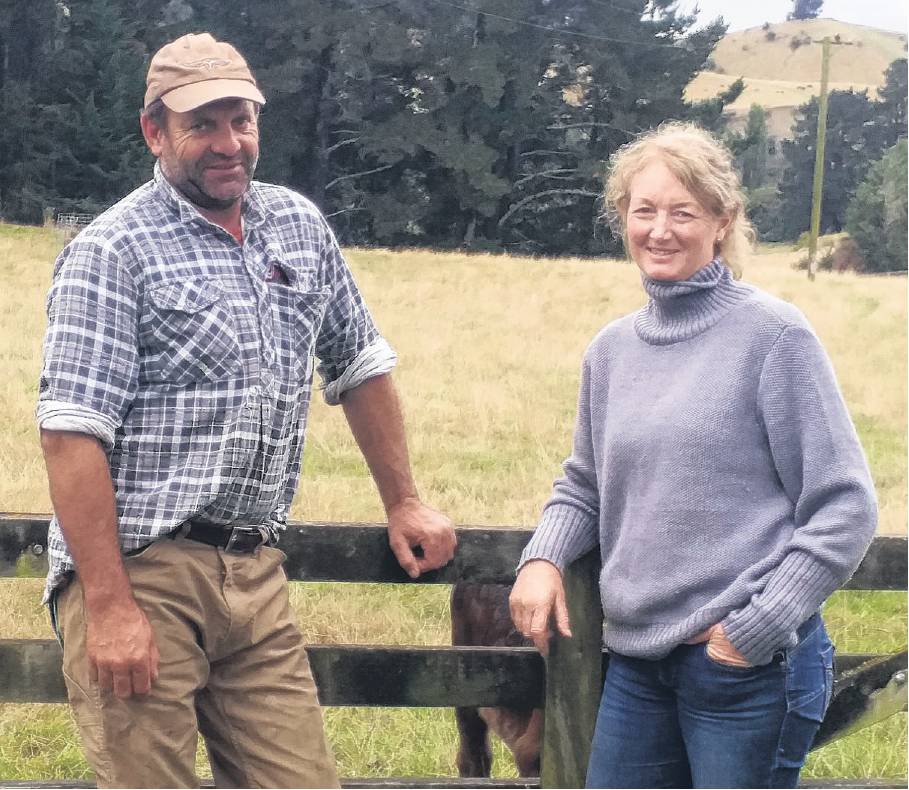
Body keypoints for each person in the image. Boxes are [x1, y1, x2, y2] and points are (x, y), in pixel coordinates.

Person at [37, 32, 456, 789]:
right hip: (142, 573)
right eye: (203, 125)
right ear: (154, 132)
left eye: (242, 120)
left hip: (253, 570)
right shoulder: (112, 252)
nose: (229, 143)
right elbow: (71, 436)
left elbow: (359, 361)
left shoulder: (295, 225)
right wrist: (108, 606)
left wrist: (403, 502)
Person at [509, 122, 877, 789]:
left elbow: (844, 507)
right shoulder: (611, 351)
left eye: (682, 212)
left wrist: (754, 629)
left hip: (747, 669)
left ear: (722, 220)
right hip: (636, 664)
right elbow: (585, 484)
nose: (659, 230)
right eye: (643, 210)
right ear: (621, 216)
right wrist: (542, 557)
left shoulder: (773, 336)